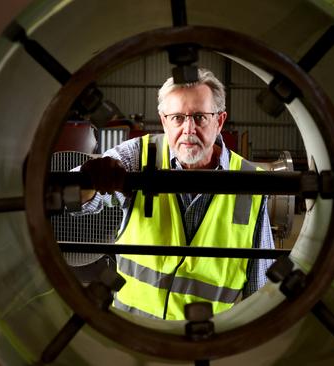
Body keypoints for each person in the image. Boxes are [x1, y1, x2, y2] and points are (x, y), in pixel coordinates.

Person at [73, 68, 274, 320]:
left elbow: (261, 291)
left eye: (200, 117)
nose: (188, 129)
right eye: (178, 117)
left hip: (204, 342)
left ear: (219, 121)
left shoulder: (250, 182)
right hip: (133, 334)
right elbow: (74, 193)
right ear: (164, 120)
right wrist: (91, 178)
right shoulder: (138, 156)